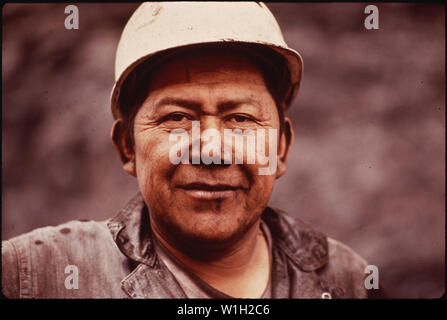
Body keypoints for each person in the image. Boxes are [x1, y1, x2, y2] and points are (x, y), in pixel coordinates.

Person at [2, 2, 372, 299]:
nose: (211, 149)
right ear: (127, 146)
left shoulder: (349, 281)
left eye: (240, 119)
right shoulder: (33, 276)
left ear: (280, 148)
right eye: (177, 117)